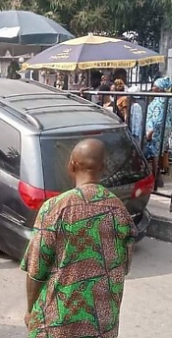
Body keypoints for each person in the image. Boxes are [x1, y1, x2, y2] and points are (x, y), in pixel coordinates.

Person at [21, 138, 137, 337]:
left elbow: (36, 269)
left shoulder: (54, 208)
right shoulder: (120, 212)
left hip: (57, 324)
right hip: (101, 325)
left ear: (71, 165)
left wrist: (30, 309)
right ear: (104, 167)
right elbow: (123, 268)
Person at [144, 76, 172, 181]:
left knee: (155, 153)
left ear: (160, 88)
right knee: (159, 151)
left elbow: (158, 119)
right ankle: (157, 178)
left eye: (154, 86)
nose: (152, 88)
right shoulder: (168, 99)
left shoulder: (160, 101)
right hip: (165, 128)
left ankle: (156, 178)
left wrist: (150, 132)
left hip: (157, 130)